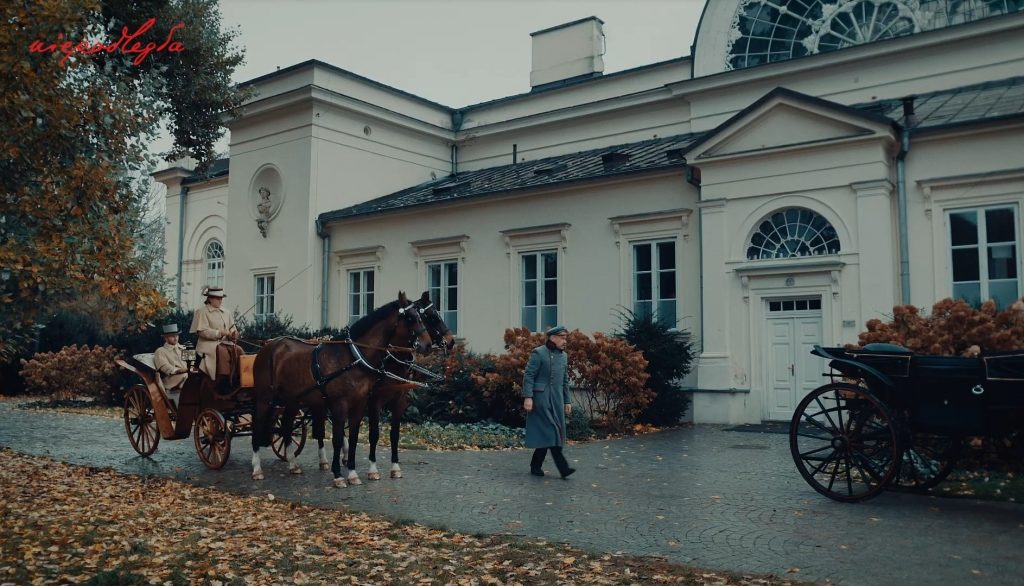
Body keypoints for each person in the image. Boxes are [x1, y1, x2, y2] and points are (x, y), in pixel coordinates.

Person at [522, 325, 576, 479]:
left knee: (551, 433)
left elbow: (565, 381)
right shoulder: (539, 353)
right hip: (541, 399)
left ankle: (535, 465)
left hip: (557, 399)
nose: (565, 341)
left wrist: (567, 401)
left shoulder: (564, 356)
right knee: (551, 430)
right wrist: (528, 397)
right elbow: (529, 376)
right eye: (562, 337)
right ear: (553, 338)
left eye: (566, 337)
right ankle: (563, 468)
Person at [189, 286, 242, 393]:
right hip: (207, 344)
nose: (220, 300)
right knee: (221, 351)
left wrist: (234, 334)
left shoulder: (226, 312)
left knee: (239, 350)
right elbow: (201, 331)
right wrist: (219, 333)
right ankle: (223, 379)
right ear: (210, 299)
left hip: (226, 342)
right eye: (217, 298)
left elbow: (232, 329)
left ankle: (240, 377)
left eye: (221, 298)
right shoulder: (202, 312)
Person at [153, 323, 188, 400]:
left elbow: (192, 363)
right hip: (171, 380)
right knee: (186, 375)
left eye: (177, 335)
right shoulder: (160, 351)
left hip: (187, 376)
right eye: (172, 336)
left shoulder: (184, 348)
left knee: (199, 376)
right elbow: (165, 368)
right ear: (165, 338)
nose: (175, 338)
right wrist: (180, 370)